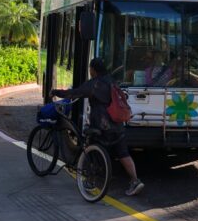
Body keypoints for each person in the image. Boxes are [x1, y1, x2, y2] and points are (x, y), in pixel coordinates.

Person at [50, 57, 144, 196]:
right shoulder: (112, 81)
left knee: (91, 149)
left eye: (90, 69)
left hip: (102, 126)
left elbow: (73, 93)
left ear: (93, 70)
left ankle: (91, 180)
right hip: (118, 124)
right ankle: (135, 181)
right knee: (123, 154)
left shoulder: (94, 84)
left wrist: (56, 92)